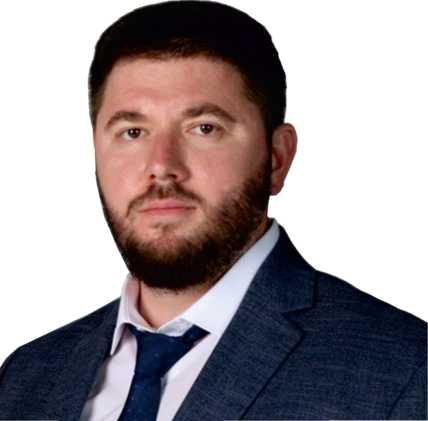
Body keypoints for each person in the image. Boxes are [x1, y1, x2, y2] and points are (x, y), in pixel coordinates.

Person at [0, 1, 426, 420]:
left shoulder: (407, 373)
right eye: (132, 132)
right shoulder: (25, 378)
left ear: (277, 158)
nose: (161, 166)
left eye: (204, 128)